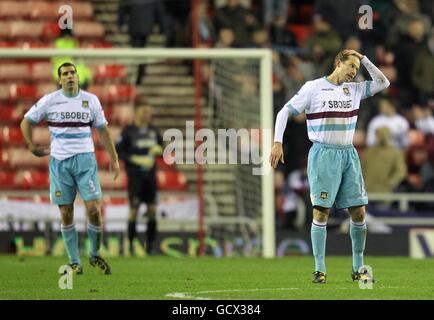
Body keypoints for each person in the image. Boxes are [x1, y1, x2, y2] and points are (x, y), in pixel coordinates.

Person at [270, 49, 390, 283]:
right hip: (323, 155)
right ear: (338, 63)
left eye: (357, 68)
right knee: (321, 211)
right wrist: (277, 142)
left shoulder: (355, 89)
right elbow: (284, 111)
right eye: (351, 66)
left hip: (348, 155)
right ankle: (320, 269)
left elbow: (383, 82)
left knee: (359, 211)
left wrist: (364, 58)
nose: (354, 71)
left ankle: (358, 268)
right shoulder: (313, 88)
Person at [20, 62, 120, 275]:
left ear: (77, 76)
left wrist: (114, 157)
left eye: (72, 72)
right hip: (59, 163)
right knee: (66, 212)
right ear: (60, 79)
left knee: (93, 209)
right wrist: (30, 146)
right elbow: (26, 122)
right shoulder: (50, 101)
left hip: (85, 161)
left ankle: (94, 254)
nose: (70, 76)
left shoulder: (90, 100)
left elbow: (103, 130)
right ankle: (75, 262)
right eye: (65, 74)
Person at [115, 104, 163, 256]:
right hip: (135, 177)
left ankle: (150, 247)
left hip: (150, 177)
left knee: (152, 210)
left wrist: (160, 150)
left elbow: (164, 148)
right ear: (136, 113)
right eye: (143, 111)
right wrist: (133, 158)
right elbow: (118, 151)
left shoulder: (154, 131)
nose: (146, 115)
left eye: (148, 112)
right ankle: (130, 245)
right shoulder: (129, 131)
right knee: (134, 210)